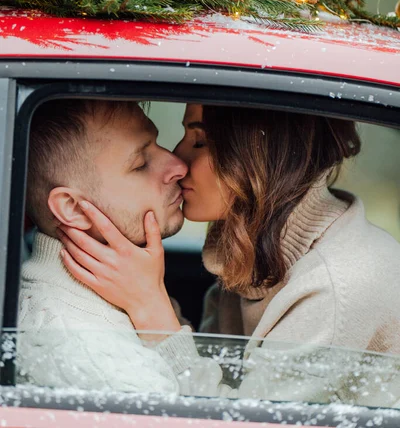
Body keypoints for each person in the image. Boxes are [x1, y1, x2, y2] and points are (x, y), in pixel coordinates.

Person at [59, 104, 400, 406]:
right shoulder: (252, 249)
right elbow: (217, 371)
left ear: (261, 156)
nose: (178, 159)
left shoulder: (336, 288)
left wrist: (151, 309)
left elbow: (236, 420)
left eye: (201, 141)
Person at [18, 99, 226, 396]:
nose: (178, 166)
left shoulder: (119, 289)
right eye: (140, 164)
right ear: (73, 208)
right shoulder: (98, 361)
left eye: (156, 143)